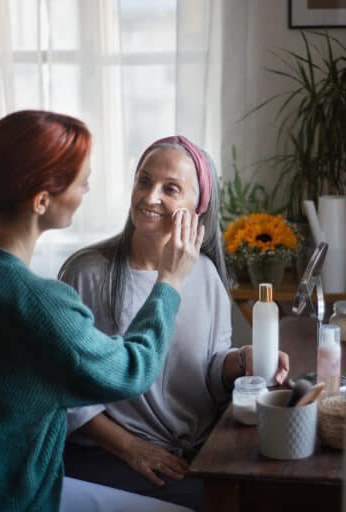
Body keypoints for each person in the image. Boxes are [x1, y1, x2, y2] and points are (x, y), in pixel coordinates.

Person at [0, 111, 204, 511]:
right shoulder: (37, 306)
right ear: (41, 200)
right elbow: (133, 369)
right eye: (82, 178)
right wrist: (170, 281)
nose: (89, 186)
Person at [58, 135, 290, 511]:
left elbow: (209, 367)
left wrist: (243, 360)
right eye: (144, 181)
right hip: (112, 453)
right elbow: (69, 399)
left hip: (191, 447)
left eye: (170, 189)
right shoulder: (88, 274)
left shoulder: (205, 272)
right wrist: (132, 448)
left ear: (198, 207)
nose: (150, 197)